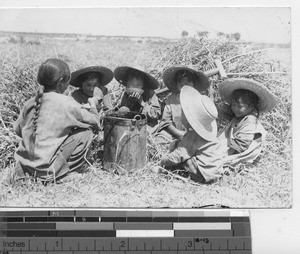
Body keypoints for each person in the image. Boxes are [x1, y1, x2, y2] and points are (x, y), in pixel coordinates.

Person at [14, 59, 101, 182]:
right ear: (61, 82)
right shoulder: (67, 103)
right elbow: (95, 123)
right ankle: (63, 174)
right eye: (67, 82)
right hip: (47, 170)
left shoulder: (31, 102)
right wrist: (93, 105)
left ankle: (33, 173)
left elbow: (18, 130)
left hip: (24, 167)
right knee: (86, 132)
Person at [160, 85, 224, 184]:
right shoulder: (206, 134)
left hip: (203, 175)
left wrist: (163, 161)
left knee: (181, 158)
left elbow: (177, 156)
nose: (181, 114)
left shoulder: (192, 136)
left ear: (189, 119)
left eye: (183, 113)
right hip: (215, 172)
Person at [217, 78, 278, 166]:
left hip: (239, 155)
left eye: (240, 106)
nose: (235, 109)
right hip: (231, 147)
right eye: (233, 105)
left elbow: (240, 147)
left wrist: (222, 156)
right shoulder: (240, 116)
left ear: (251, 106)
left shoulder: (250, 121)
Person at [155, 66, 210, 145]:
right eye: (181, 82)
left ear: (194, 84)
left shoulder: (200, 100)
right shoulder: (171, 101)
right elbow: (166, 122)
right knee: (160, 140)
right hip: (175, 133)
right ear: (177, 85)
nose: (184, 85)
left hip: (195, 134)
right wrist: (178, 133)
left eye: (188, 82)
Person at [114, 66, 161, 133]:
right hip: (130, 128)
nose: (135, 87)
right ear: (127, 84)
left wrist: (142, 103)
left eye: (139, 85)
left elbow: (156, 114)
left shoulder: (150, 93)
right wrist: (129, 104)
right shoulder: (126, 94)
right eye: (132, 84)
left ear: (144, 85)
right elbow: (123, 115)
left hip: (148, 128)